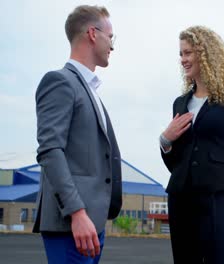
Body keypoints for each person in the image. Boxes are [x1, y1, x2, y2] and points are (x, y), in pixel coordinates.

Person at [33, 5, 121, 264]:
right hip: (71, 225)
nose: (113, 46)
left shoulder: (90, 90)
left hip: (92, 227)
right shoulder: (59, 81)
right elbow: (50, 151)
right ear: (93, 34)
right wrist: (77, 213)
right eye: (110, 37)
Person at [160, 25, 224, 263]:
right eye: (181, 54)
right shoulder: (180, 103)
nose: (183, 60)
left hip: (217, 200)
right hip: (181, 199)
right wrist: (165, 140)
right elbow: (176, 163)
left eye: (188, 53)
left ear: (206, 53)